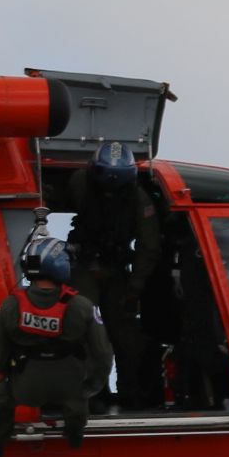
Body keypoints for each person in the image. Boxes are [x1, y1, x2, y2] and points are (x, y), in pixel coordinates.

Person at [0, 236, 113, 457]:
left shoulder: (11, 306)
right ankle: (75, 433)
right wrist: (90, 387)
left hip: (26, 390)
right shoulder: (83, 306)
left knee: (2, 393)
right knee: (78, 395)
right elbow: (103, 354)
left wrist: (9, 373)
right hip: (70, 390)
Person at [65, 140, 161, 406]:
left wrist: (135, 287)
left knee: (123, 335)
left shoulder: (138, 200)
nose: (111, 189)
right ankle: (95, 394)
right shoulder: (80, 183)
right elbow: (149, 246)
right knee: (85, 330)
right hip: (85, 265)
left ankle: (127, 393)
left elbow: (150, 245)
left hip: (114, 270)